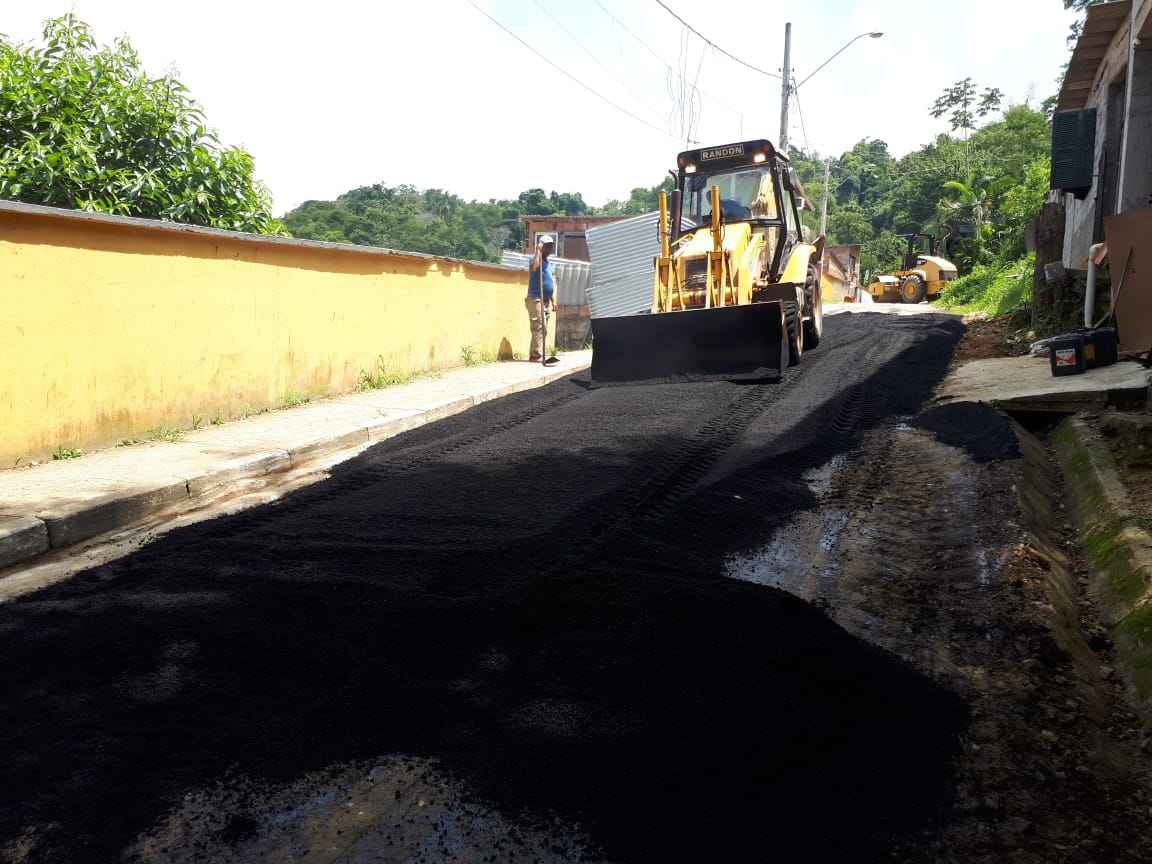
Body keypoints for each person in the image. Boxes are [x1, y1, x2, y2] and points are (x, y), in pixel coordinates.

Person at [527, 234, 559, 365]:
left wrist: (553, 301)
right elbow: (534, 267)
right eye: (547, 246)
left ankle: (536, 354)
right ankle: (536, 356)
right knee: (539, 327)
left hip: (546, 300)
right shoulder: (535, 259)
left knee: (543, 329)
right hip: (535, 298)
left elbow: (549, 282)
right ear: (542, 246)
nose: (550, 249)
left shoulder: (548, 263)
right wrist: (537, 251)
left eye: (551, 246)